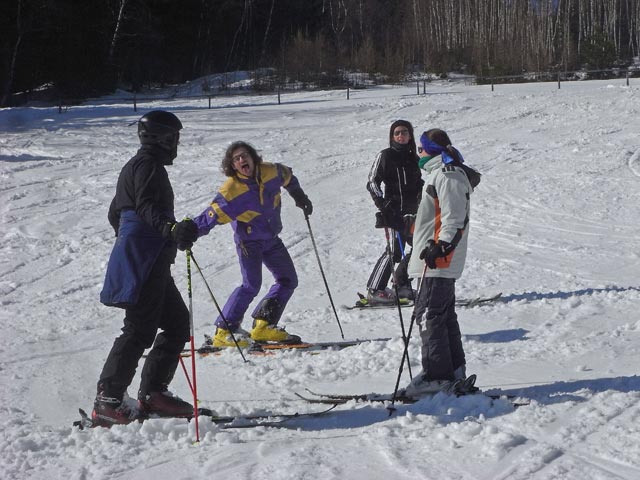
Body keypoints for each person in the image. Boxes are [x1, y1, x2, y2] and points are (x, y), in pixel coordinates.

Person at [93, 110, 200, 426]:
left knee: (178, 322)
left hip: (147, 258)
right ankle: (109, 400)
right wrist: (169, 229)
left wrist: (139, 239)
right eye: (175, 138)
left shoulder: (136, 166)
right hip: (145, 259)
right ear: (165, 138)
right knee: (139, 329)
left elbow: (116, 213)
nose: (177, 144)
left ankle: (153, 394)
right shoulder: (148, 166)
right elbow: (145, 207)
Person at [189, 141, 313, 348]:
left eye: (244, 155)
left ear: (253, 157)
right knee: (251, 285)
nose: (241, 160)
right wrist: (189, 231)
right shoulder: (232, 190)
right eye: (236, 159)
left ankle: (263, 326)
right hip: (249, 243)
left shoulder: (272, 171)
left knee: (288, 280)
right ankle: (224, 330)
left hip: (271, 238)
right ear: (233, 166)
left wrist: (299, 195)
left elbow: (289, 177)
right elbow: (210, 215)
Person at [403, 128, 481, 398]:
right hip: (433, 257)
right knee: (443, 316)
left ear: (433, 150)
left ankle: (437, 377)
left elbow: (454, 217)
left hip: (438, 260)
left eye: (421, 150)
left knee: (429, 316)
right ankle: (452, 372)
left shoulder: (447, 175)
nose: (418, 155)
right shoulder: (441, 173)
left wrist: (441, 246)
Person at [365, 120, 423, 305]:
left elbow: (417, 183)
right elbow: (373, 182)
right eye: (397, 132)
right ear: (392, 136)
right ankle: (375, 289)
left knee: (420, 246)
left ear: (410, 135)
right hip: (394, 211)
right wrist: (383, 203)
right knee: (394, 252)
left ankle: (402, 284)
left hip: (414, 211)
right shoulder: (386, 155)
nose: (401, 136)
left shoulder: (413, 157)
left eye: (404, 132)